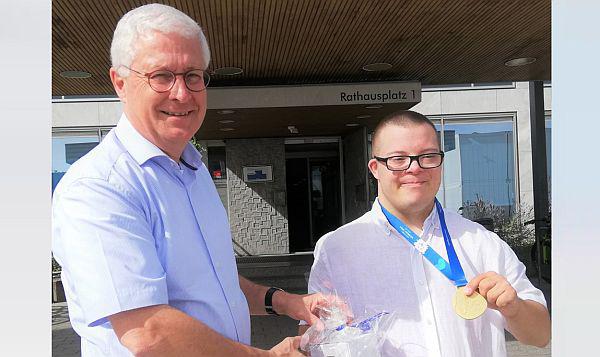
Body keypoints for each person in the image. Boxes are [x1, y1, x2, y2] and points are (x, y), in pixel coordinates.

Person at [52, 4, 329, 356]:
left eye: (193, 75)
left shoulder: (193, 171)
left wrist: (288, 302)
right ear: (120, 83)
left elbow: (213, 285)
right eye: (162, 75)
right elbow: (147, 331)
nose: (182, 94)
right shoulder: (98, 187)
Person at [301, 110, 550, 356]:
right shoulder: (337, 249)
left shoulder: (481, 242)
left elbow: (540, 336)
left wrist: (514, 308)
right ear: (375, 168)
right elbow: (311, 341)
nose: (415, 168)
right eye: (398, 159)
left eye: (428, 156)